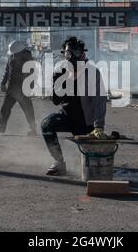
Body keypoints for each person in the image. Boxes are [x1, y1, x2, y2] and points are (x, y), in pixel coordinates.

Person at [41, 37, 108, 176]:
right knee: (47, 124)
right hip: (68, 117)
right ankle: (59, 162)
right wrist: (66, 79)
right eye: (67, 54)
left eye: (75, 53)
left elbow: (99, 100)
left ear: (83, 55)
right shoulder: (60, 71)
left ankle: (88, 154)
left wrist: (99, 126)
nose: (71, 57)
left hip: (86, 123)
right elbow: (55, 100)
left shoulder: (92, 73)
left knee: (91, 164)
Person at [0, 40, 37, 136]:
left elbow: (32, 73)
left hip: (23, 89)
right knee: (5, 108)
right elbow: (7, 71)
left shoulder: (28, 58)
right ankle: (2, 126)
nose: (14, 55)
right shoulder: (11, 57)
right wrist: (3, 83)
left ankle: (33, 129)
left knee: (28, 110)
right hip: (12, 88)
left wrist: (30, 87)